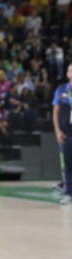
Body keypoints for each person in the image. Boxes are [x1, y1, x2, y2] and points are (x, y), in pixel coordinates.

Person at [52, 64, 72, 205]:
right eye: (71, 70)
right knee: (68, 165)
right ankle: (69, 193)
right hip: (67, 134)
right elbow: (56, 112)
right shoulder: (61, 90)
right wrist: (58, 131)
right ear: (67, 74)